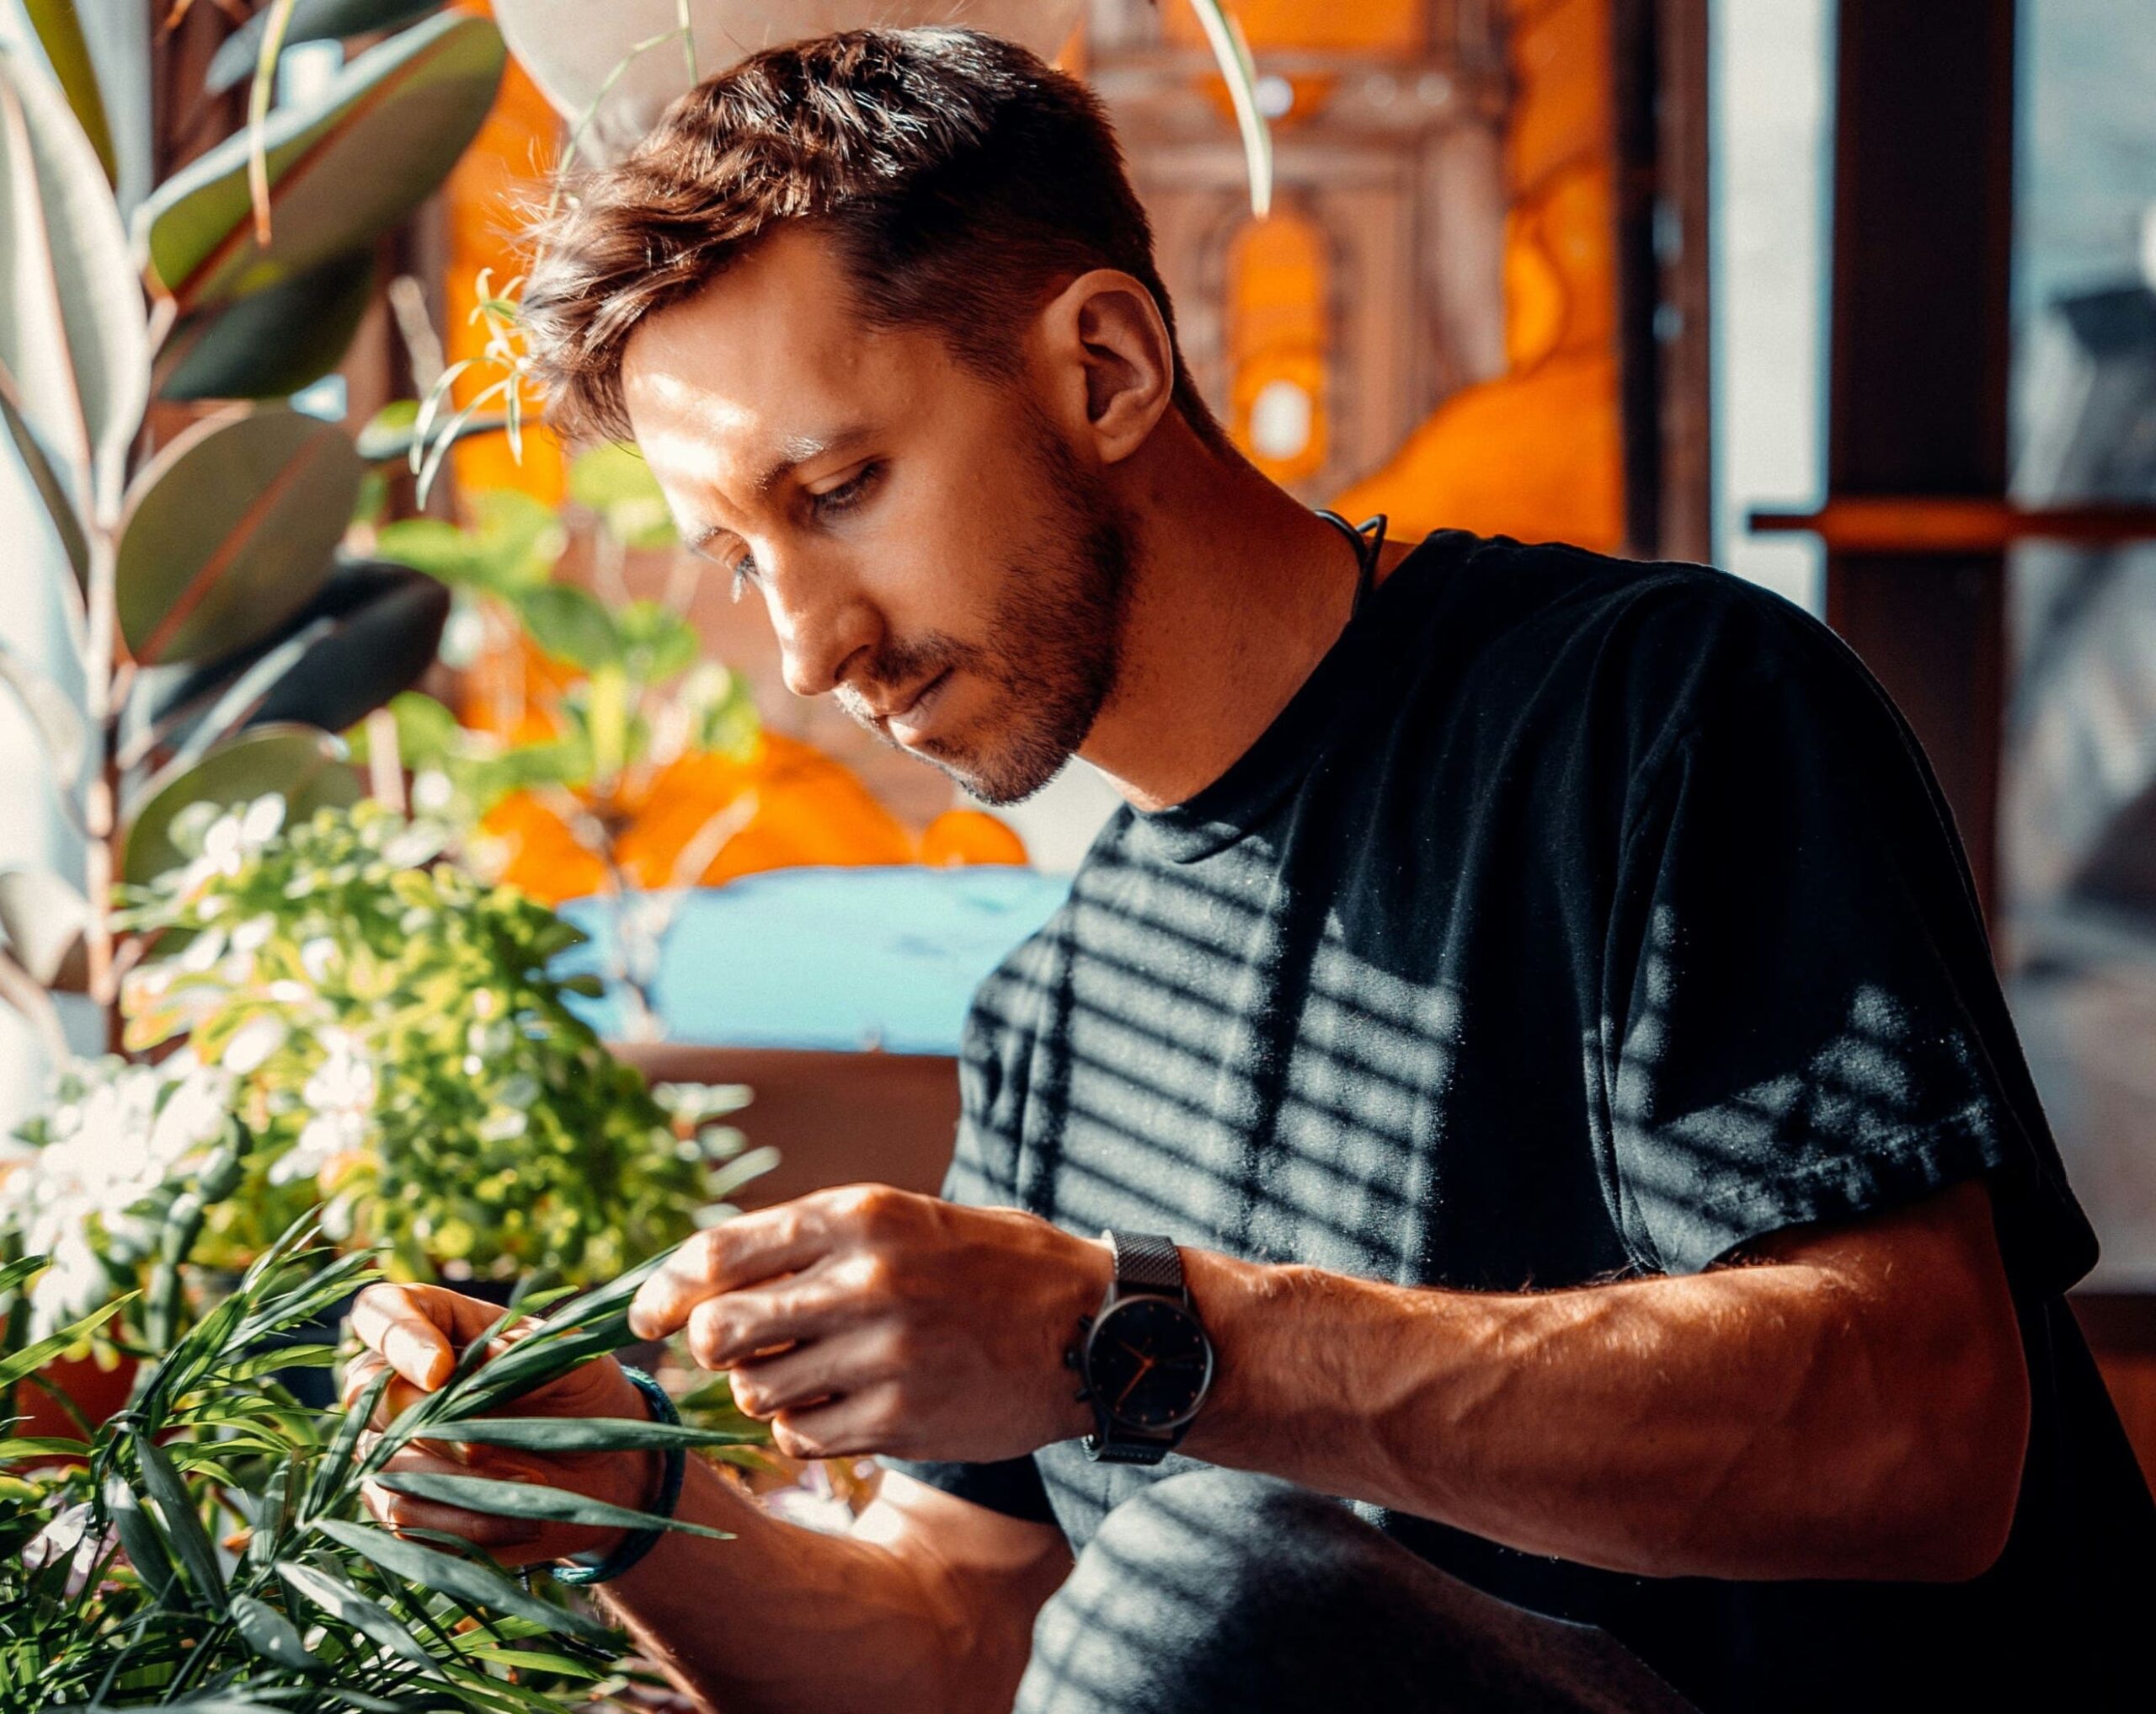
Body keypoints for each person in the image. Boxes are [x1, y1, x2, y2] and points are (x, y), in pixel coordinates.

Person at [344, 27, 2155, 1714]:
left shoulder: (1659, 715)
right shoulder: (1061, 1015)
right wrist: (622, 1488)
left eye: (836, 490)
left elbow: (1918, 1438)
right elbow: (966, 1640)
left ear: (1106, 368)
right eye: (742, 560)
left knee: (1215, 1584)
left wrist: (1131, 1330)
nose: (807, 644)